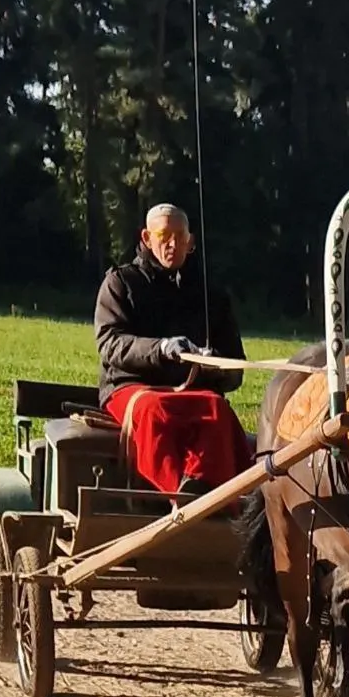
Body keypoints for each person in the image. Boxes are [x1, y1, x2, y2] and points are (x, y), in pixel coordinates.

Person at [94, 203, 253, 498]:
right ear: (146, 237)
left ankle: (206, 493)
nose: (172, 244)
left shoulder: (211, 296)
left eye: (180, 237)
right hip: (132, 387)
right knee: (154, 410)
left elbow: (235, 369)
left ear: (191, 242)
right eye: (163, 235)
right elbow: (110, 344)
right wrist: (161, 349)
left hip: (193, 389)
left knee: (217, 408)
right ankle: (174, 496)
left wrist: (213, 364)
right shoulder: (120, 283)